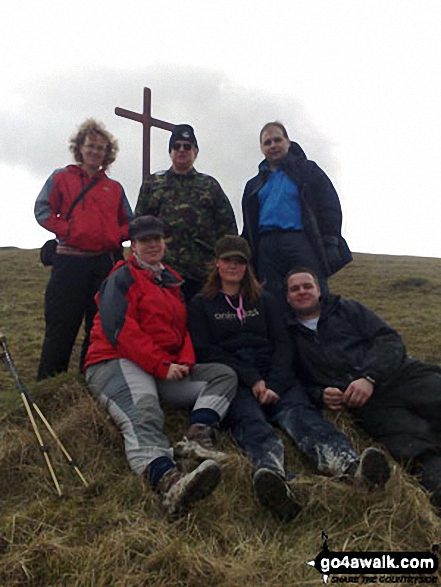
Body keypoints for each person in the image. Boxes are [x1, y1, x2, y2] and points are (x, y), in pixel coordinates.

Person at [188, 236, 389, 523]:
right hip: (235, 377)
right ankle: (273, 479)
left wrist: (276, 383)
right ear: (216, 263)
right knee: (251, 423)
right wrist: (253, 379)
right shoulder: (201, 304)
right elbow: (206, 349)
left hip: (275, 372)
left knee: (301, 416)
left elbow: (283, 343)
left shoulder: (265, 300)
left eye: (240, 261)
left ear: (247, 266)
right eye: (227, 260)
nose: (233, 266)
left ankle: (350, 466)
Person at [84, 215, 237, 517]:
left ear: (165, 242)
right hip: (115, 360)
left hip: (160, 368)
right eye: (145, 240)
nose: (153, 244)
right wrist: (160, 366)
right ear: (133, 247)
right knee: (144, 410)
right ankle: (169, 482)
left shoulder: (169, 280)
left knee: (223, 375)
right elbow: (120, 331)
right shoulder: (121, 277)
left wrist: (183, 361)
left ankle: (197, 437)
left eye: (157, 239)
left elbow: (182, 331)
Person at [284, 267, 441, 511]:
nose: (302, 292)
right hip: (368, 406)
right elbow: (297, 380)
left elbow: (389, 340)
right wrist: (320, 394)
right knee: (415, 450)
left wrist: (369, 377)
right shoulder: (288, 334)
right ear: (287, 297)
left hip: (401, 376)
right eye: (295, 289)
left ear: (319, 289)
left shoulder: (348, 309)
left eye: (307, 286)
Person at [35, 119, 133, 380]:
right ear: (80, 148)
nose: (95, 152)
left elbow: (129, 223)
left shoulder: (114, 188)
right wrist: (67, 231)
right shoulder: (61, 177)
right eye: (91, 146)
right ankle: (49, 388)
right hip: (69, 264)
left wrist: (112, 236)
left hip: (103, 265)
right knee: (61, 328)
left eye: (101, 148)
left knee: (97, 328)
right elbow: (42, 210)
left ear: (107, 154)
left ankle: (90, 385)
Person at [241, 121, 351, 306]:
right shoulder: (254, 184)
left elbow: (329, 206)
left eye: (277, 140)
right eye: (267, 142)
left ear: (288, 142)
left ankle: (319, 333)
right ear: (261, 148)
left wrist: (330, 241)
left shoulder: (308, 171)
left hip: (300, 241)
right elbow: (249, 224)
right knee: (271, 301)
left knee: (311, 295)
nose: (273, 145)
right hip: (266, 247)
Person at [135, 124, 238, 303]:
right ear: (170, 152)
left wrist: (226, 264)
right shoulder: (153, 184)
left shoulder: (210, 185)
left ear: (195, 151)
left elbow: (227, 228)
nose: (181, 150)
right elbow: (139, 226)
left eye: (187, 146)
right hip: (163, 271)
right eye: (177, 146)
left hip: (203, 273)